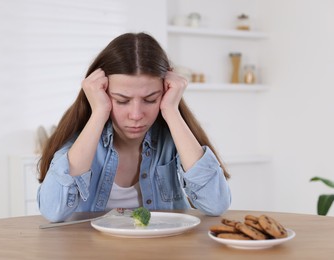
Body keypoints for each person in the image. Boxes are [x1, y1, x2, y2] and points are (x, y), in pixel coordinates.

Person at [37, 32, 231, 222]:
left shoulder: (172, 139)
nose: (136, 115)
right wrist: (99, 112)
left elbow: (216, 205)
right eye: (121, 100)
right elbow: (53, 211)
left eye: (150, 99)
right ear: (100, 93)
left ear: (166, 92)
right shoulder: (82, 140)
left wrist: (171, 109)